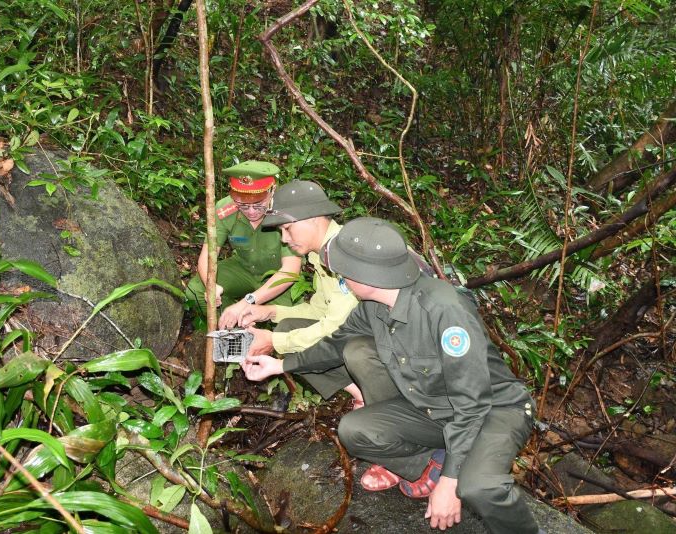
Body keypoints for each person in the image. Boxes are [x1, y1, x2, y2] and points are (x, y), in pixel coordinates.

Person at [241, 217, 540, 534]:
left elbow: (472, 401)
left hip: (494, 410)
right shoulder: (373, 306)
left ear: (367, 275)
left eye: (344, 270)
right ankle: (431, 461)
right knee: (355, 430)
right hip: (436, 410)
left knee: (478, 487)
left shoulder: (443, 309)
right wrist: (280, 365)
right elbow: (334, 345)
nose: (340, 276)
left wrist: (451, 481)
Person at [235, 180, 364, 407]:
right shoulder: (321, 254)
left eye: (287, 228)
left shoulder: (345, 253)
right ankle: (360, 393)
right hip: (363, 334)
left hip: (392, 343)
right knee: (288, 329)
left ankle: (376, 393)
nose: (284, 239)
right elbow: (319, 310)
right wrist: (269, 312)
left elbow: (336, 326)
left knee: (289, 339)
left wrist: (274, 341)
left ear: (313, 217)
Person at [185, 161, 301, 329]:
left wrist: (247, 302)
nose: (251, 211)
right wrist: (212, 287)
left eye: (258, 204)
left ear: (272, 191)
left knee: (292, 323)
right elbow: (207, 257)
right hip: (243, 269)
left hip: (277, 276)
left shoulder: (286, 212)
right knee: (196, 289)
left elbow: (290, 271)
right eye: (243, 205)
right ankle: (233, 332)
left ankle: (260, 332)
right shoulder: (225, 209)